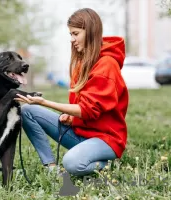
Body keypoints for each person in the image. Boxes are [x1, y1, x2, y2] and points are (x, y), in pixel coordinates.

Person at [14, 8, 129, 177]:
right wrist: (70, 117)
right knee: (28, 111)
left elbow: (89, 110)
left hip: (106, 140)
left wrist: (45, 102)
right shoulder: (84, 63)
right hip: (81, 133)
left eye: (76, 34)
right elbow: (80, 107)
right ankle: (51, 169)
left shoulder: (107, 65)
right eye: (70, 34)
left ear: (90, 31)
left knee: (72, 163)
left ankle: (105, 165)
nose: (72, 40)